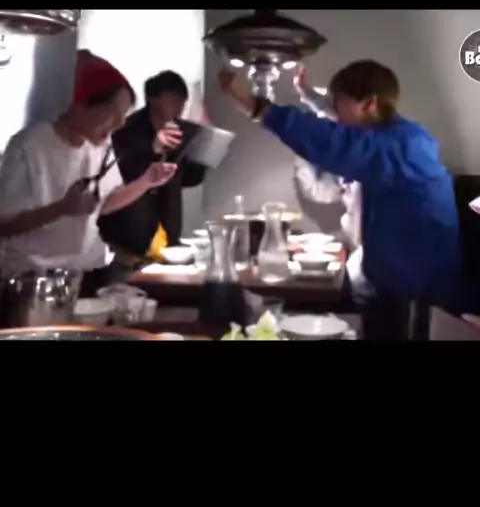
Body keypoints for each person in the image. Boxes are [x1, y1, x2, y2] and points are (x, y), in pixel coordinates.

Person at [219, 60, 462, 340]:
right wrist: (308, 95)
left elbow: (337, 141)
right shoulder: (397, 136)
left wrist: (257, 107)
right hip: (393, 278)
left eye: (338, 104)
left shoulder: (400, 147)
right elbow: (343, 125)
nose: (334, 113)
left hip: (415, 290)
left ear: (369, 103)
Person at [0, 53, 177, 294]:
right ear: (79, 103)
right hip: (31, 282)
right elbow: (4, 225)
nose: (119, 124)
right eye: (113, 112)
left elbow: (105, 203)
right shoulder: (30, 146)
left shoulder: (99, 145)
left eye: (124, 115)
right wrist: (61, 208)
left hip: (85, 273)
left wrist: (147, 180)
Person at [102, 70, 207, 260]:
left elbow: (189, 179)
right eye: (173, 98)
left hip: (168, 234)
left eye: (183, 99)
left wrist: (203, 154)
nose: (179, 105)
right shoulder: (126, 129)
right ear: (154, 99)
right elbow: (123, 177)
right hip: (129, 236)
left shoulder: (182, 131)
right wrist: (154, 149)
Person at [292, 66, 369, 303]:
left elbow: (334, 116)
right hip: (361, 254)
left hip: (379, 262)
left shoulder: (371, 142)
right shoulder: (347, 157)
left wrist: (307, 94)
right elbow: (321, 192)